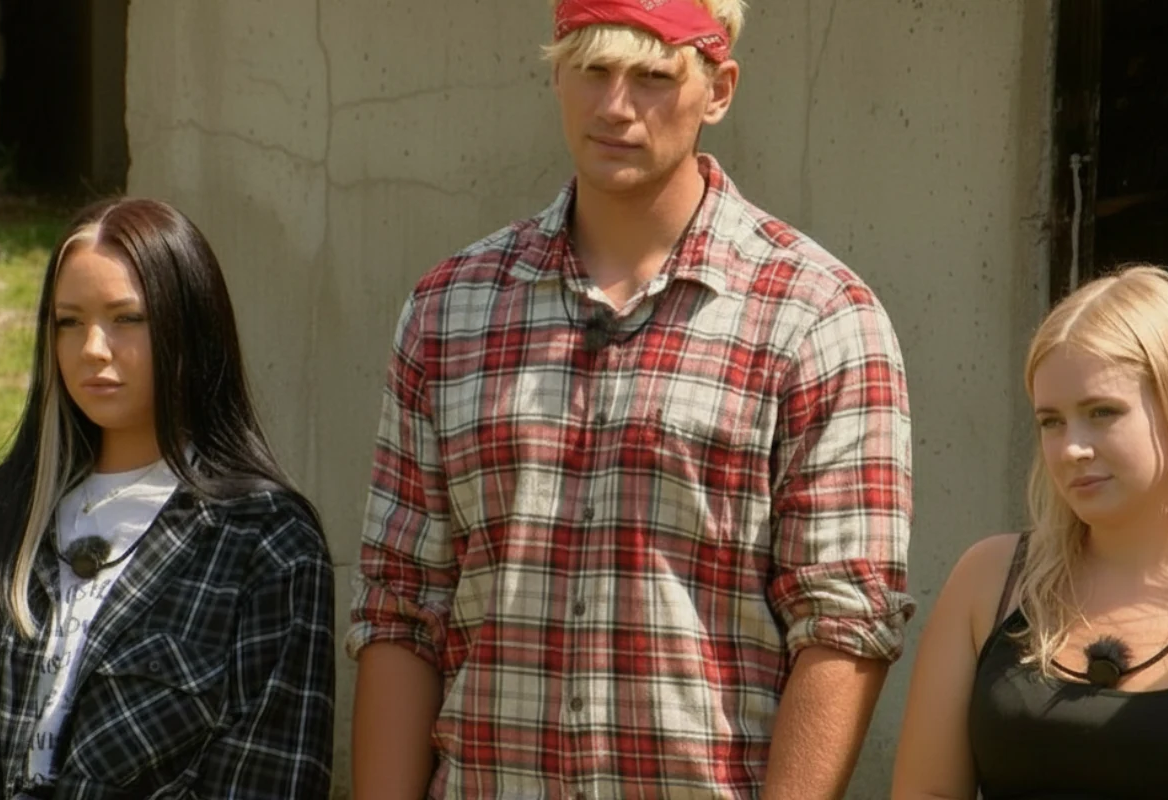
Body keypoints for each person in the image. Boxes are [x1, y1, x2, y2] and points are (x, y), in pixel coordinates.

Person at [348, 1, 914, 797]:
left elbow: (844, 620)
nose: (615, 106)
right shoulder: (451, 310)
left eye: (653, 77)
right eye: (592, 70)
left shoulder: (816, 317)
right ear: (556, 77)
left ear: (719, 90)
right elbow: (402, 605)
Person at [0, 198, 335, 798]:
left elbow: (272, 774)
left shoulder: (264, 542)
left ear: (189, 327)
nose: (93, 347)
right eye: (69, 322)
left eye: (127, 318)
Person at [892, 265, 1168, 799]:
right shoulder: (990, 580)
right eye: (1051, 421)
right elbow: (926, 792)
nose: (1071, 449)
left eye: (1102, 412)